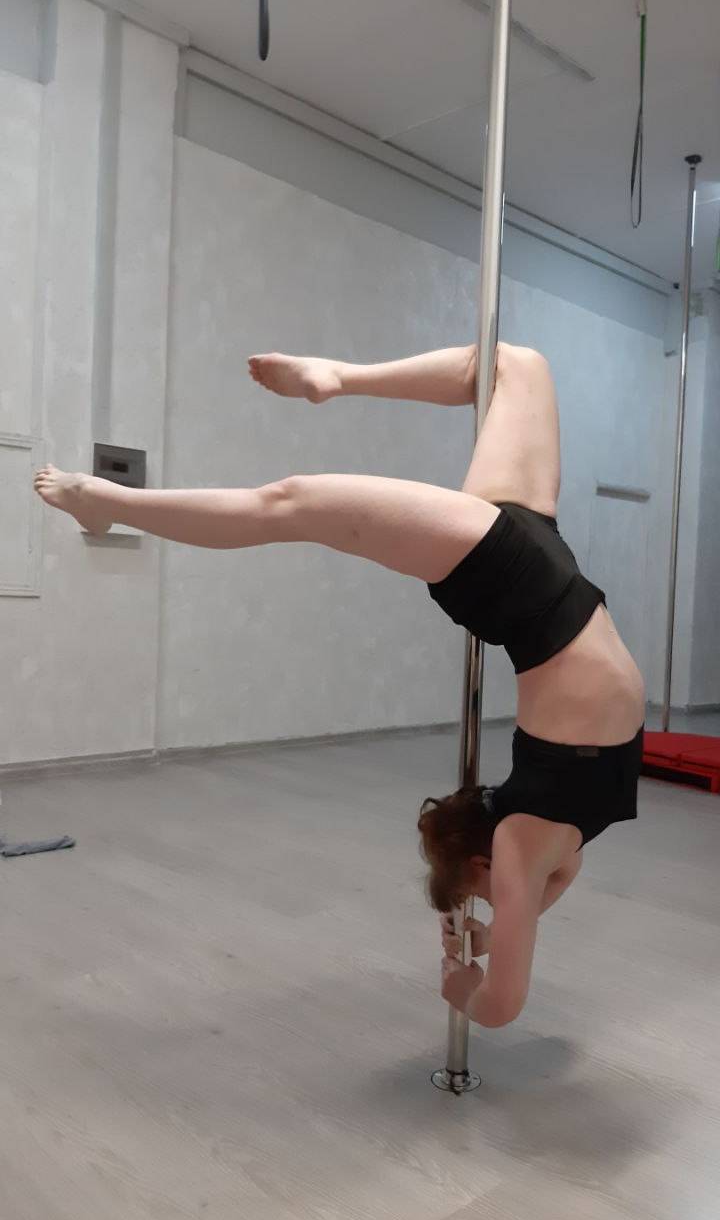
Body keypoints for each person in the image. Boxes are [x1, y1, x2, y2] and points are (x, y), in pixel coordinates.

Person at [34, 342, 645, 1029]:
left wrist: (464, 987)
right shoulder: (546, 847)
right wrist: (480, 949)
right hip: (542, 576)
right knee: (519, 365)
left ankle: (109, 502)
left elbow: (501, 998)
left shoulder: (529, 844)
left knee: (290, 502)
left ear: (482, 857)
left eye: (487, 891)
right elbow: (527, 928)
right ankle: (336, 380)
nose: (502, 896)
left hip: (525, 586)